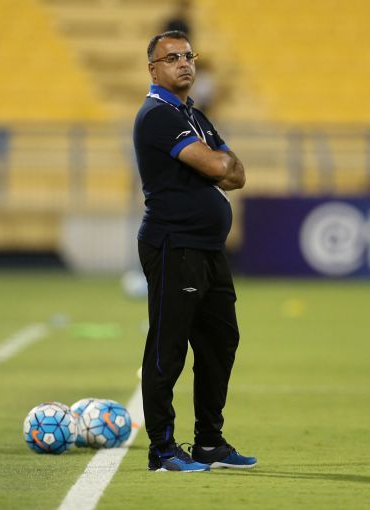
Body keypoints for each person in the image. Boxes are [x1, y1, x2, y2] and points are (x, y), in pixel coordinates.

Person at [132, 30, 257, 472]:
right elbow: (218, 164)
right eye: (172, 58)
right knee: (168, 348)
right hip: (174, 243)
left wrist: (220, 162)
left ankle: (209, 442)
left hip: (207, 249)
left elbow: (237, 175)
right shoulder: (158, 116)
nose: (184, 63)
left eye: (188, 56)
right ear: (153, 69)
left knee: (220, 342)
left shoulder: (194, 116)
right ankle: (162, 449)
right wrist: (218, 162)